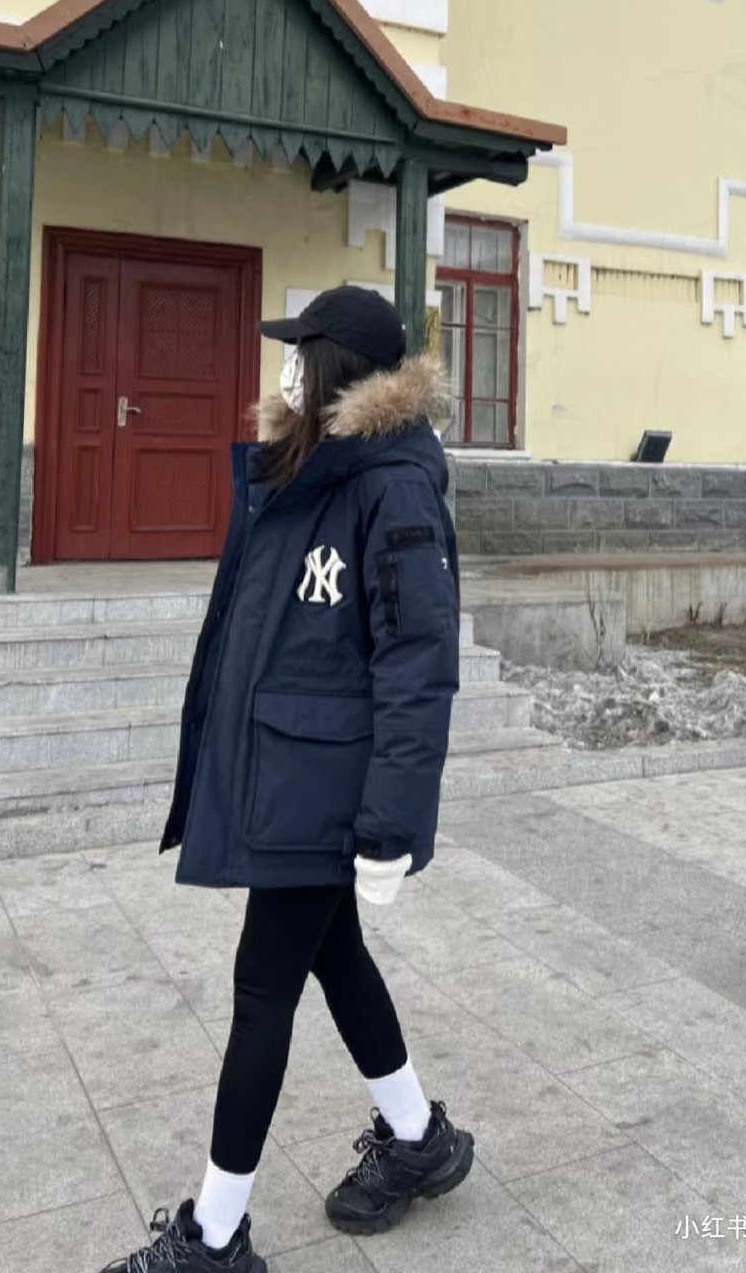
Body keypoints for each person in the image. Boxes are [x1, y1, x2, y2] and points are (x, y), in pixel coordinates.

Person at [102, 287, 472, 1273]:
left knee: (262, 987)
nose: (285, 371)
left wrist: (391, 823)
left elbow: (418, 661)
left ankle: (215, 1238)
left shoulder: (391, 488)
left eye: (299, 354)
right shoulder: (309, 466)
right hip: (292, 772)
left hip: (330, 788)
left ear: (336, 368)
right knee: (333, 954)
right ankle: (419, 1138)